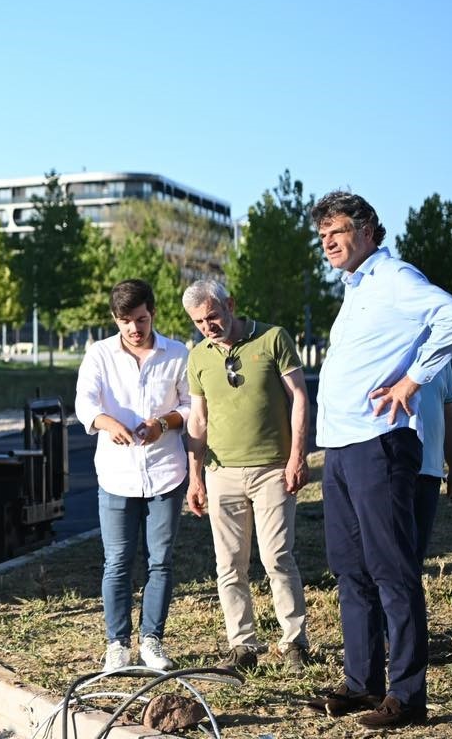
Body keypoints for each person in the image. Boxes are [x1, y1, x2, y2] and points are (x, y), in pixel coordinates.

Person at [306, 191, 452, 730]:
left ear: (368, 230)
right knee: (350, 570)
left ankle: (408, 695)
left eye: (337, 230)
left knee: (391, 571)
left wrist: (413, 378)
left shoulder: (394, 277)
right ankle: (361, 684)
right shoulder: (354, 289)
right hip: (343, 447)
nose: (328, 241)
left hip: (380, 443)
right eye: (323, 233)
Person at [181, 279, 310, 675]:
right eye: (199, 322)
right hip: (222, 474)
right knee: (229, 565)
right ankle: (243, 645)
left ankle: (294, 643)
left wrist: (297, 457)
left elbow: (300, 398)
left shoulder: (273, 338)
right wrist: (195, 476)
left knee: (277, 558)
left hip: (273, 469)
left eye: (213, 316)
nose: (208, 327)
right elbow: (198, 419)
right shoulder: (199, 357)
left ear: (230, 304)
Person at [76, 279, 190, 673]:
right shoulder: (99, 354)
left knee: (160, 561)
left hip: (165, 473)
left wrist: (164, 422)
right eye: (126, 321)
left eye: (140, 319)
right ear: (115, 319)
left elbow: (192, 406)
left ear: (153, 313)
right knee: (118, 561)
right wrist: (107, 423)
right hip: (116, 474)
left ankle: (152, 641)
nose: (134, 329)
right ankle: (117, 643)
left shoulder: (177, 353)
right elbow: (84, 404)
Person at [414, 360, 452, 561]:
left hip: (429, 472)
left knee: (416, 553)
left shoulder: (441, 351)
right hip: (389, 468)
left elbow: (447, 407)